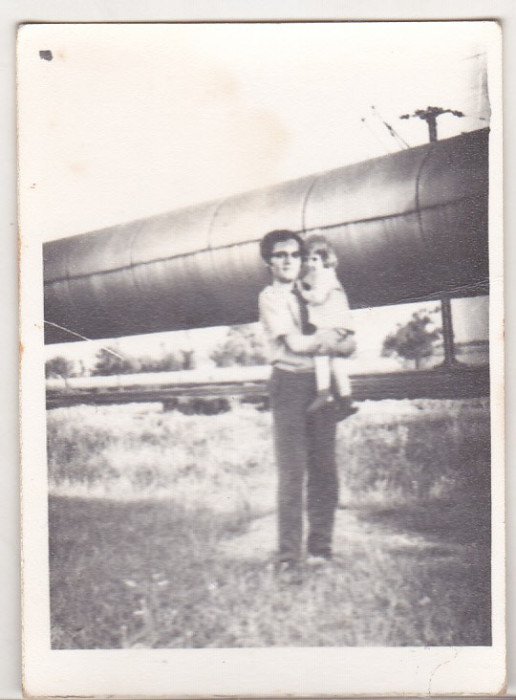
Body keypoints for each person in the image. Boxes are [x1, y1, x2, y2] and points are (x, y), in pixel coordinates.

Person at [258, 229, 354, 580]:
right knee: (293, 473)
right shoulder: (271, 297)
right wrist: (331, 341)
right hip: (289, 385)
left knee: (325, 471)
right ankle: (288, 558)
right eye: (281, 255)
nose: (289, 261)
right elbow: (296, 346)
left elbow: (350, 343)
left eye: (296, 255)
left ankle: (321, 549)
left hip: (320, 383)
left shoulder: (317, 291)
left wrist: (335, 341)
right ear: (269, 261)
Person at [298, 233, 358, 420]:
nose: (311, 263)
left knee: (320, 354)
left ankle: (323, 393)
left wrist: (301, 291)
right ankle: (347, 401)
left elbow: (317, 297)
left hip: (331, 326)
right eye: (308, 259)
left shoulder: (325, 276)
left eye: (315, 259)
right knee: (337, 364)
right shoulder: (326, 275)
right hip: (341, 327)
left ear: (325, 260)